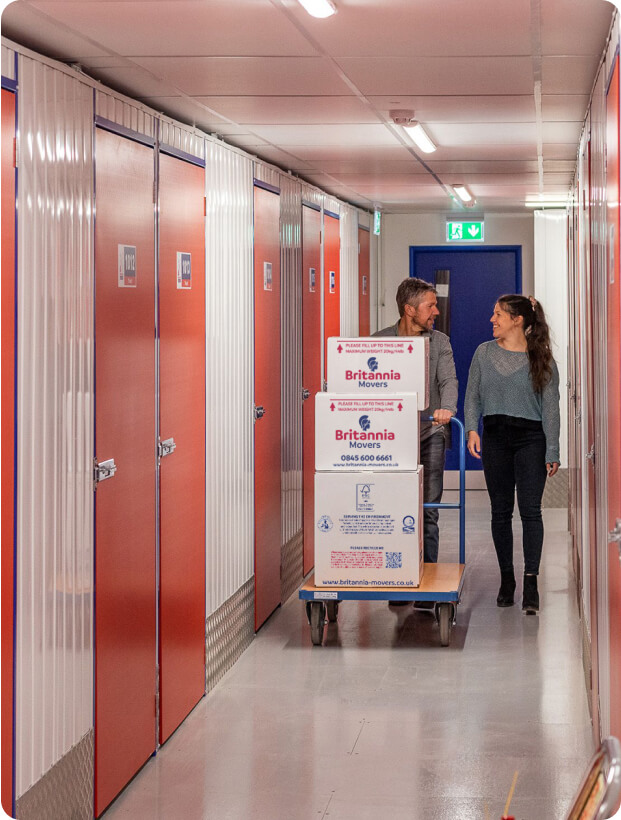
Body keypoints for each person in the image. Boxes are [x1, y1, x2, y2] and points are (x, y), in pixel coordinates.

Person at [464, 294, 560, 614]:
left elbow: (550, 410)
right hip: (495, 438)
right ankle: (507, 579)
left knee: (530, 511)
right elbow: (473, 395)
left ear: (517, 320)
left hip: (531, 440)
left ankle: (530, 581)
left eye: (498, 315)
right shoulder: (483, 352)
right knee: (500, 512)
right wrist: (472, 429)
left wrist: (553, 449)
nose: (492, 320)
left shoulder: (541, 357)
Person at [374, 277, 458, 571]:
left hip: (429, 432)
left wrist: (446, 408)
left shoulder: (440, 342)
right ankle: (398, 575)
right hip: (391, 438)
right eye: (430, 306)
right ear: (410, 309)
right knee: (394, 509)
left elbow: (448, 380)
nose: (436, 311)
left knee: (428, 510)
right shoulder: (379, 342)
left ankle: (428, 579)